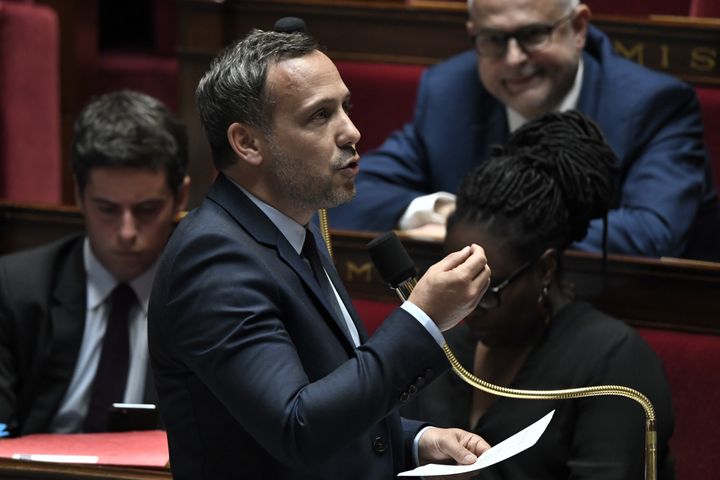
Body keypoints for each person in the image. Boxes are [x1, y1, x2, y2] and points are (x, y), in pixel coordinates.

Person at [148, 29, 494, 480]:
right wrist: (422, 318)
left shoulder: (295, 225)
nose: (352, 131)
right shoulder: (214, 258)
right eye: (319, 116)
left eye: (344, 107)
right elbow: (296, 427)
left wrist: (411, 441)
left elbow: (320, 399)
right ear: (247, 143)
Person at [329, 0, 720, 261]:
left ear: (579, 27)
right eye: (494, 40)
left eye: (533, 35)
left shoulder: (654, 105)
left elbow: (650, 234)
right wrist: (446, 211)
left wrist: (473, 228)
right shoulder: (451, 91)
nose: (513, 60)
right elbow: (350, 194)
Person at [401, 111, 676, 479]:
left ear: (544, 270)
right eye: (457, 282)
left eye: (488, 289)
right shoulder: (445, 346)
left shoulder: (613, 362)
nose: (467, 308)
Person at [0, 90, 190, 436]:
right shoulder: (14, 291)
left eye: (147, 210)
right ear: (79, 195)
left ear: (180, 197)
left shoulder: (202, 300)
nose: (127, 232)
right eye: (107, 209)